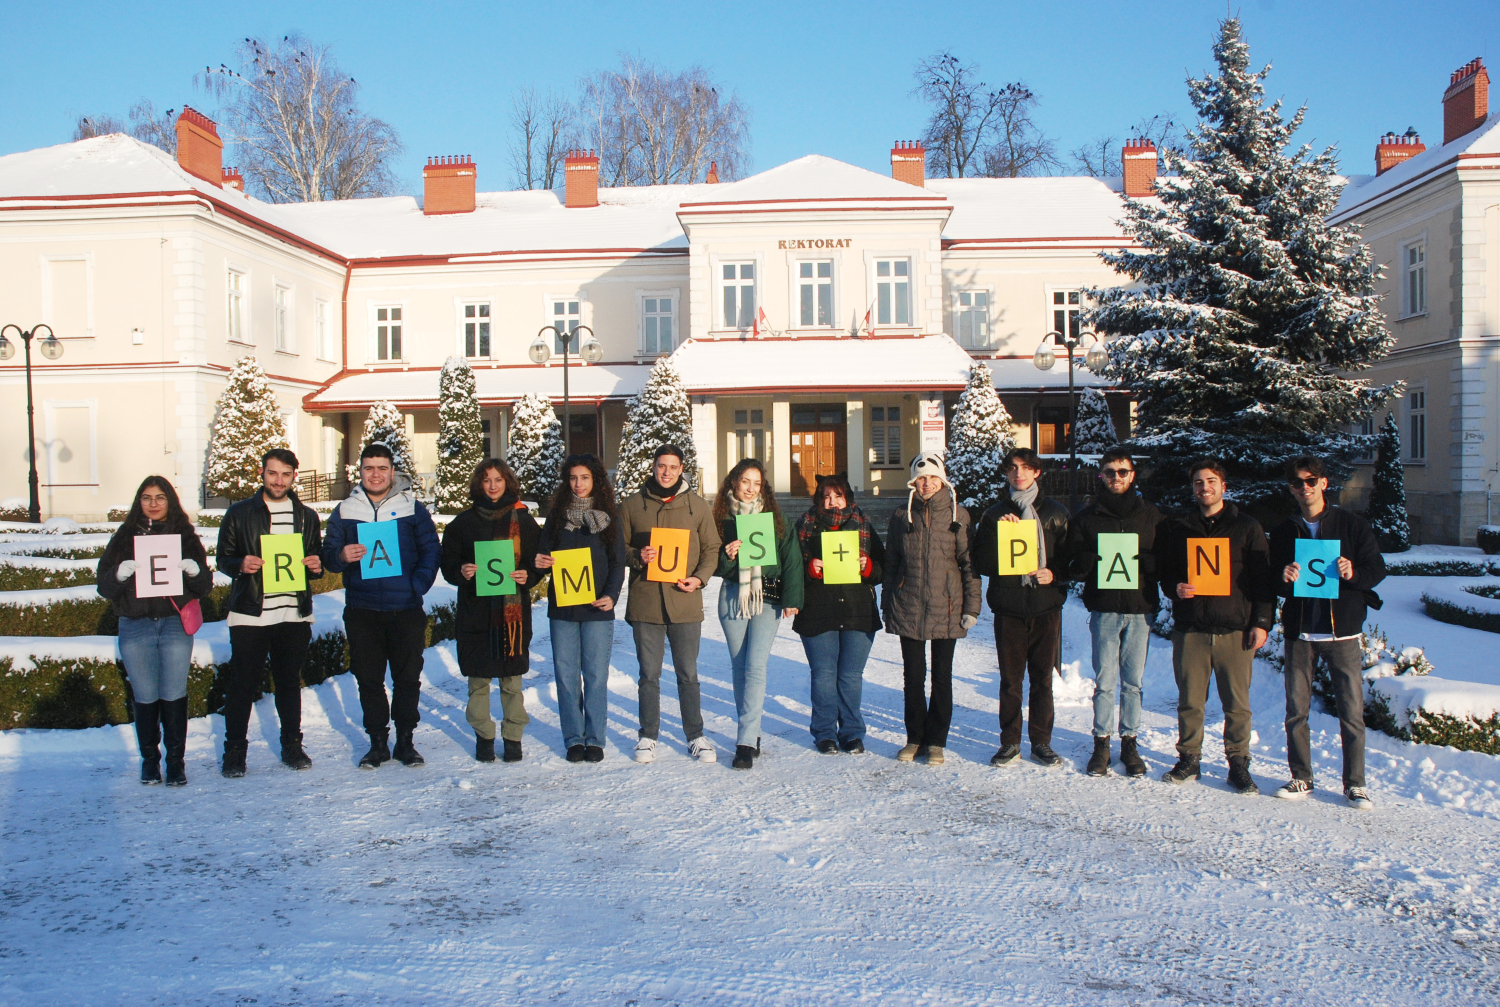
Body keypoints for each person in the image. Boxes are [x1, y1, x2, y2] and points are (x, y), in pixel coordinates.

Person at [1269, 456, 1386, 810]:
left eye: (1311, 480)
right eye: (1297, 482)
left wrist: (1353, 573)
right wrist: (1283, 578)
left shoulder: (1351, 524)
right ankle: (1302, 777)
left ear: (1324, 483)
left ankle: (1355, 784)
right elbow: (1270, 577)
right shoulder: (1286, 530)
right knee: (1296, 711)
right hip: (1300, 631)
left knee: (1351, 713)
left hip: (1342, 631)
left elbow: (1377, 569)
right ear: (1291, 488)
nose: (1304, 487)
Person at [1155, 458, 1274, 792]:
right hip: (1191, 628)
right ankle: (1189, 758)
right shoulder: (1180, 528)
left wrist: (1262, 622)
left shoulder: (1246, 527)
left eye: (1210, 481)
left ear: (1223, 486)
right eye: (1198, 482)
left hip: (1234, 629)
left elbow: (1263, 580)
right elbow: (1166, 573)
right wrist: (1175, 588)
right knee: (1190, 701)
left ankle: (1238, 763)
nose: (1204, 487)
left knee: (1237, 705)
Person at [323, 442, 441, 769]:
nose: (375, 474)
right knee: (369, 679)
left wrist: (416, 585)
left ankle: (405, 741)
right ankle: (377, 742)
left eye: (382, 468)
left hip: (405, 609)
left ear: (392, 471)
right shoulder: (345, 510)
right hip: (362, 610)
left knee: (407, 678)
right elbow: (328, 554)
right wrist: (341, 555)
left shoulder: (412, 507)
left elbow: (431, 550)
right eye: (369, 468)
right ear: (360, 472)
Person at [214, 448, 325, 778]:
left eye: (286, 474)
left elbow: (315, 561)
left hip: (293, 614)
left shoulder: (306, 516)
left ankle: (292, 745)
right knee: (243, 684)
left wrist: (316, 566)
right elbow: (223, 558)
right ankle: (235, 750)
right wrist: (240, 564)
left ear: (294, 477)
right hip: (251, 613)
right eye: (273, 473)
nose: (279, 480)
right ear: (262, 474)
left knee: (289, 683)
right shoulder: (239, 513)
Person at [97, 476, 214, 786]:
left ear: (170, 500)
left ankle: (175, 761)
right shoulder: (125, 536)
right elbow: (104, 586)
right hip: (135, 624)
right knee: (145, 695)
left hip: (174, 623)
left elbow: (204, 586)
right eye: (147, 497)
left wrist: (195, 572)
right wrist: (119, 574)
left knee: (174, 692)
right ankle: (150, 761)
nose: (153, 503)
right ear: (139, 501)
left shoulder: (185, 535)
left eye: (160, 497)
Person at [618, 445, 722, 764]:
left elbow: (712, 548)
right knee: (648, 675)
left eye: (673, 467)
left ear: (681, 469)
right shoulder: (632, 505)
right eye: (661, 466)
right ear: (653, 467)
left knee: (688, 674)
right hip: (646, 602)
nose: (667, 472)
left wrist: (699, 579)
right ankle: (648, 735)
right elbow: (617, 547)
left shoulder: (697, 506)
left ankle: (695, 734)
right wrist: (637, 556)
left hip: (684, 602)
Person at [1063, 447, 1161, 777]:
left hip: (1139, 608)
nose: (1116, 477)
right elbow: (1071, 564)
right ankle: (1101, 742)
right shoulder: (1087, 517)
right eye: (1109, 472)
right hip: (1104, 608)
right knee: (1105, 681)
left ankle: (1130, 742)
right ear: (1101, 475)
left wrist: (1152, 564)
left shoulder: (1151, 515)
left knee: (1133, 682)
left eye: (1122, 472)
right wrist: (1084, 563)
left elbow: (1168, 559)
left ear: (1133, 475)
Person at [972, 447, 1071, 769]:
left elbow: (1072, 557)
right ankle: (1010, 742)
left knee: (1042, 680)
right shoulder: (994, 514)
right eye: (1013, 468)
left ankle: (1042, 742)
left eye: (1026, 467)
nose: (1019, 473)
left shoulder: (1055, 512)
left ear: (1036, 472)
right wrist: (1001, 535)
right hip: (1010, 607)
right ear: (1006, 473)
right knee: (1010, 681)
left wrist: (1054, 574)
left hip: (1045, 606)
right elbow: (981, 562)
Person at [882, 452, 982, 766]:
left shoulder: (958, 515)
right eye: (921, 478)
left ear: (942, 480)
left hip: (947, 607)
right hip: (908, 604)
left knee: (942, 677)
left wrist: (972, 607)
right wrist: (888, 603)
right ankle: (915, 738)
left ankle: (936, 741)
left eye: (932, 478)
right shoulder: (902, 515)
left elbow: (969, 564)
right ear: (914, 482)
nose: (926, 484)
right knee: (913, 677)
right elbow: (892, 562)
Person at [440, 459, 541, 763]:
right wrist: (461, 570)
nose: (493, 486)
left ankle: (513, 736)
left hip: (512, 615)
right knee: (478, 680)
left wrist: (528, 575)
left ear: (507, 482)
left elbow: (538, 561)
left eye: (498, 479)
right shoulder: (462, 524)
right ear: (478, 484)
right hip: (476, 612)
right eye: (487, 480)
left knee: (512, 681)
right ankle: (483, 734)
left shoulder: (523, 521)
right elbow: (448, 564)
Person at [713, 459, 804, 770]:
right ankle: (751, 731)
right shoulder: (721, 519)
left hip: (769, 597)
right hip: (733, 596)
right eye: (745, 482)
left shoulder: (776, 519)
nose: (751, 489)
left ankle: (745, 741)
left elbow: (792, 559)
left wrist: (793, 598)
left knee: (755, 666)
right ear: (734, 483)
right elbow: (710, 563)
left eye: (757, 483)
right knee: (739, 667)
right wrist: (727, 556)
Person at [536, 455, 626, 764]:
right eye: (573, 478)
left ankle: (595, 738)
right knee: (566, 676)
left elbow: (618, 562)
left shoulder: (609, 518)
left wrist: (611, 595)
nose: (578, 484)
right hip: (563, 608)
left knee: (596, 676)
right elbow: (542, 555)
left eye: (584, 477)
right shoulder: (556, 516)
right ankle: (574, 738)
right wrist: (541, 561)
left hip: (597, 608)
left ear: (596, 480)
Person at [794, 473, 883, 757]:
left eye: (838, 496)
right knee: (823, 675)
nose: (832, 502)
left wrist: (868, 567)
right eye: (826, 497)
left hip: (858, 611)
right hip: (818, 612)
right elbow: (790, 569)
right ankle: (824, 734)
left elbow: (883, 568)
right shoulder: (806, 525)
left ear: (848, 498)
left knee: (850, 677)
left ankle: (852, 734)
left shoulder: (863, 523)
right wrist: (809, 569)